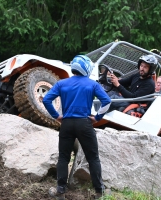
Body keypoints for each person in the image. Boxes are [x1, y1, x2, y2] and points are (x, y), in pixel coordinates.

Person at [43, 55, 111, 200]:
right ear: (86, 68)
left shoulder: (62, 83)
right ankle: (99, 192)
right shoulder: (92, 84)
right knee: (93, 158)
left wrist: (56, 116)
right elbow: (107, 101)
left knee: (63, 158)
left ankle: (60, 192)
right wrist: (97, 118)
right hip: (84, 123)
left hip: (66, 123)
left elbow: (46, 99)